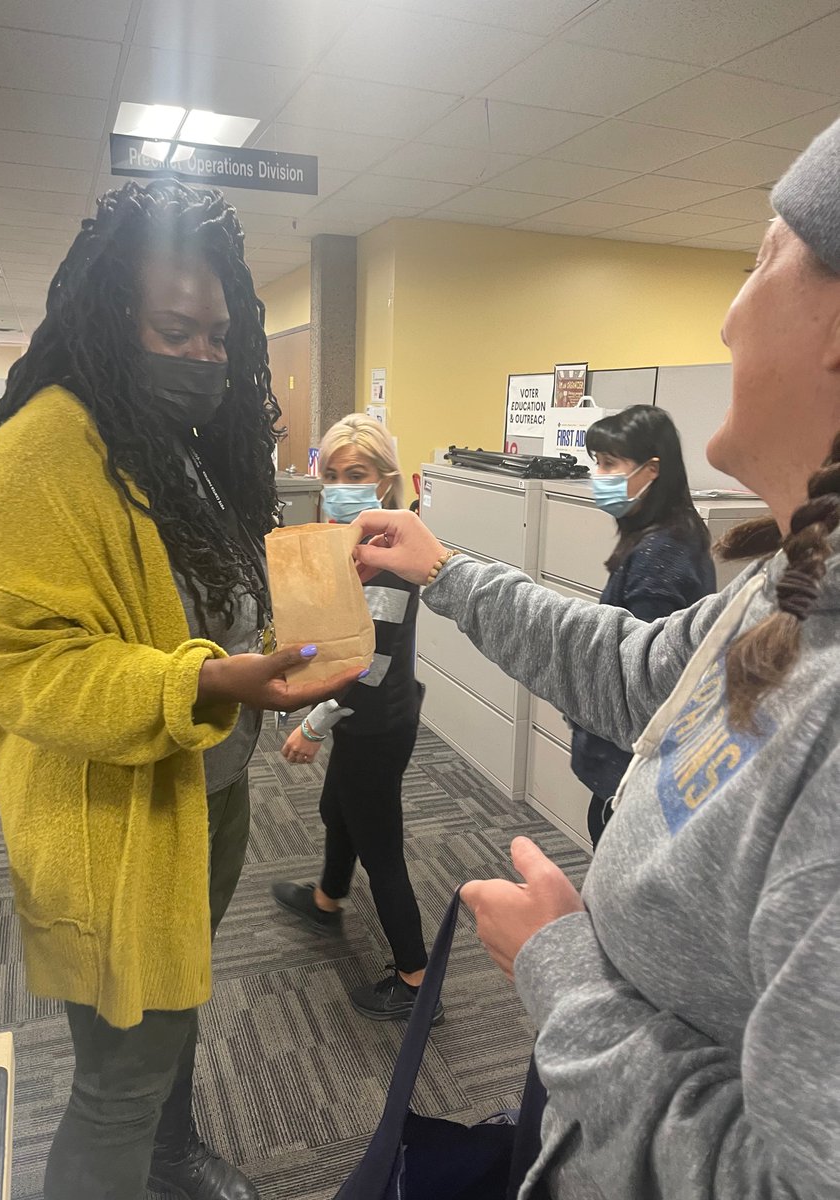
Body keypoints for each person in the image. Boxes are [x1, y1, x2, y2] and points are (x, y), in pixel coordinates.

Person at [350, 114, 840, 1199]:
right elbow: (632, 668)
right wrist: (448, 571)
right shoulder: (793, 581)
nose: (725, 315)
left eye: (761, 263)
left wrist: (564, 974)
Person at [0, 178, 359, 1200]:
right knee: (115, 1084)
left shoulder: (170, 445)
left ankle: (171, 1160)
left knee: (175, 1004)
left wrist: (285, 631)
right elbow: (29, 667)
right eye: (177, 330)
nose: (207, 358)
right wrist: (213, 678)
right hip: (110, 824)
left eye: (219, 335)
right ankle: (142, 1153)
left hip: (202, 799)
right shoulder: (36, 454)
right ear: (106, 317)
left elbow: (198, 589)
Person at [271, 414, 441, 1023]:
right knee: (335, 809)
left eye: (358, 474)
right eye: (334, 474)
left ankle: (417, 979)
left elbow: (366, 669)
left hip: (373, 719)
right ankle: (326, 898)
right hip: (369, 717)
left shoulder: (390, 562)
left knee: (382, 848)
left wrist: (314, 724)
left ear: (385, 482)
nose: (343, 485)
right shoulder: (352, 547)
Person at [574, 405, 715, 846]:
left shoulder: (663, 555)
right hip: (631, 764)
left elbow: (640, 682)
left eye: (609, 463)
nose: (598, 475)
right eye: (597, 462)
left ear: (652, 470)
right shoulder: (670, 534)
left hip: (632, 769)